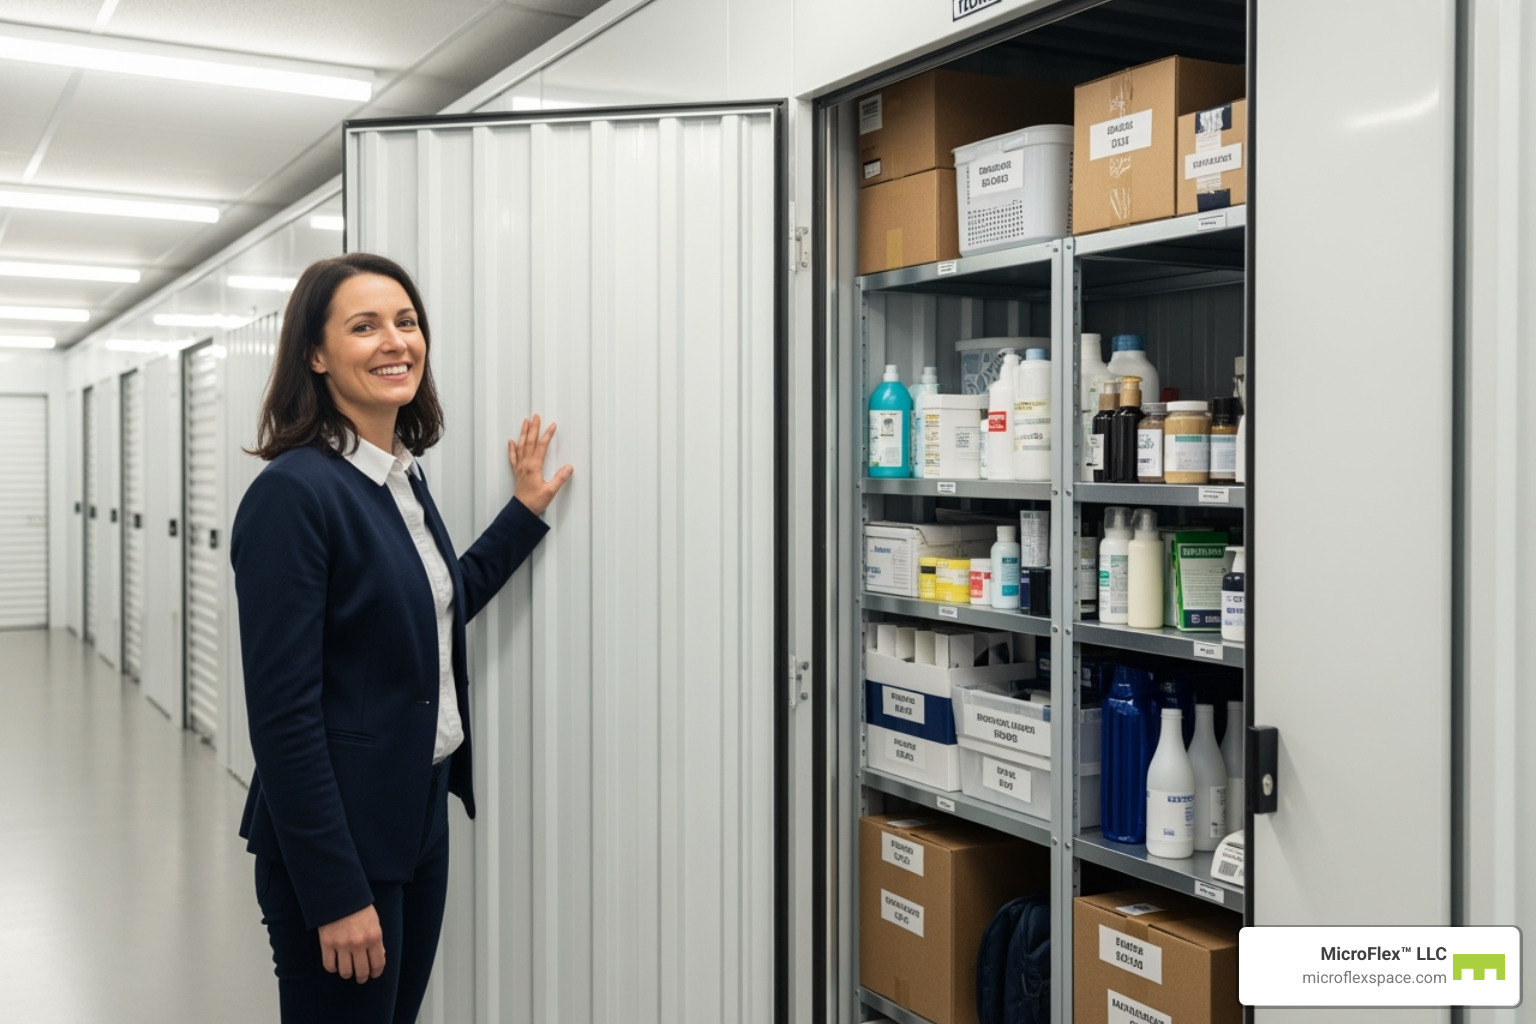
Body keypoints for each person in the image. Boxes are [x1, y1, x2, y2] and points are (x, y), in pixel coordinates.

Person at [230, 252, 571, 1023]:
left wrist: (522, 515)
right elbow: (283, 717)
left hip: (414, 814)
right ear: (315, 356)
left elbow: (431, 605)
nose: (395, 341)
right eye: (364, 326)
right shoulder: (295, 494)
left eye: (406, 321)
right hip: (339, 839)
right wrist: (334, 890)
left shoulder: (399, 476)